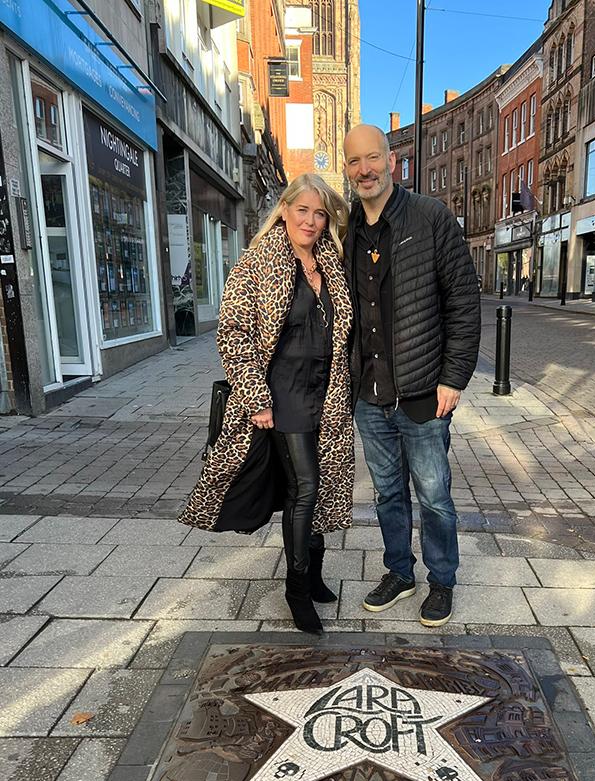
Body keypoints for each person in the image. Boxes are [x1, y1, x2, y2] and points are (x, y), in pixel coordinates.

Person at [179, 174, 354, 635]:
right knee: (305, 486)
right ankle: (297, 587)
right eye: (303, 210)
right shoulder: (257, 261)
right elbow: (233, 332)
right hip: (282, 392)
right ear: (285, 209)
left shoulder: (330, 262)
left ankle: (314, 575)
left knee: (321, 486)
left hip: (326, 392)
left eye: (320, 213)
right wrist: (256, 397)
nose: (311, 221)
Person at [343, 124, 480, 627]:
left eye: (372, 158)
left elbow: (463, 301)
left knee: (435, 497)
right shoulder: (346, 228)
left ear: (392, 161)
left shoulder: (430, 217)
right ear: (347, 169)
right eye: (354, 161)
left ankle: (442, 581)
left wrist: (454, 378)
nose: (365, 170)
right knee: (387, 495)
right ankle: (399, 572)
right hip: (369, 395)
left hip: (424, 392)